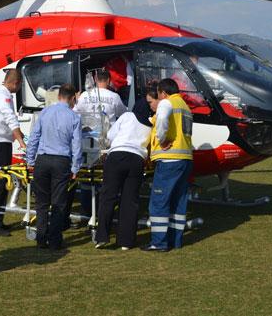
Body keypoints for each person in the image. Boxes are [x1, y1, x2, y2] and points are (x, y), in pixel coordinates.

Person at [26, 84, 82, 250]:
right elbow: (77, 145)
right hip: (61, 161)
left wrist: (30, 160)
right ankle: (55, 240)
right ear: (72, 98)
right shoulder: (74, 117)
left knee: (41, 203)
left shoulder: (45, 112)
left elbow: (34, 137)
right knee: (58, 203)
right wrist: (75, 167)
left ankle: (41, 238)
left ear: (58, 96)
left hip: (42, 160)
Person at [94, 96, 154, 250]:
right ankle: (126, 241)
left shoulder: (127, 116)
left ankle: (102, 237)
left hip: (117, 155)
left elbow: (110, 135)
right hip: (137, 160)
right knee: (130, 201)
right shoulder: (150, 125)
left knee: (108, 196)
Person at [142, 78, 193, 253]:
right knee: (178, 201)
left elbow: (162, 119)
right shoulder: (185, 107)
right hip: (185, 159)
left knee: (159, 201)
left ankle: (159, 242)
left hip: (170, 158)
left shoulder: (166, 103)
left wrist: (162, 140)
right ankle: (176, 240)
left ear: (163, 92)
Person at [0, 69, 27, 236]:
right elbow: (10, 118)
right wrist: (21, 141)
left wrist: (17, 135)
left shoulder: (0, 94)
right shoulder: (4, 96)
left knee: (1, 183)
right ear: (15, 83)